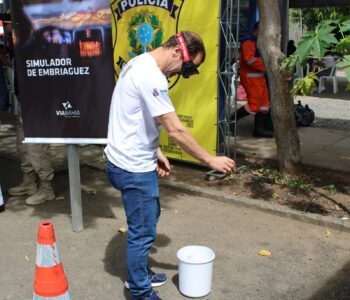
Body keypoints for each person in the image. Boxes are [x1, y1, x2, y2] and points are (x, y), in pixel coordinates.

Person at [105, 31, 235, 300]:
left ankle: (139, 272)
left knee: (149, 218)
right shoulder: (151, 76)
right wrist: (210, 160)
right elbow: (175, 129)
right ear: (177, 51)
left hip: (125, 160)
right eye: (187, 67)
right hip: (132, 168)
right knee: (142, 233)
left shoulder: (139, 63)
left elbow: (134, 116)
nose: (181, 74)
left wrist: (156, 151)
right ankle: (140, 290)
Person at [7, 59, 55, 206]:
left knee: (37, 138)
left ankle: (46, 188)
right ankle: (29, 181)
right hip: (25, 86)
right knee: (23, 138)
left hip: (37, 88)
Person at [230, 22, 273, 138]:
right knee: (254, 106)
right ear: (258, 29)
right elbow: (249, 59)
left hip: (259, 78)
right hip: (251, 78)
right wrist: (267, 66)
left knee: (264, 105)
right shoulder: (248, 40)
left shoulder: (256, 41)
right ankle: (231, 121)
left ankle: (259, 130)